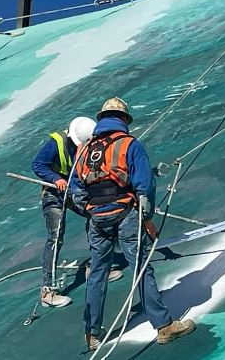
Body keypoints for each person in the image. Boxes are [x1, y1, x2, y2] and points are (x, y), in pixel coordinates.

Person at [71, 97, 196, 350]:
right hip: (125, 213)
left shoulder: (85, 150)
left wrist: (92, 210)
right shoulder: (129, 145)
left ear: (102, 119)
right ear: (124, 120)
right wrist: (146, 217)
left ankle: (92, 334)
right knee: (140, 268)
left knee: (97, 273)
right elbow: (144, 186)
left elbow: (75, 190)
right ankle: (164, 327)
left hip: (97, 220)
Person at [31, 117, 123, 308]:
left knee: (96, 217)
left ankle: (95, 268)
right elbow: (38, 164)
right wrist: (55, 179)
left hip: (75, 190)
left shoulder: (91, 141)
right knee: (56, 237)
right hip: (54, 193)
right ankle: (47, 291)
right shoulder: (56, 143)